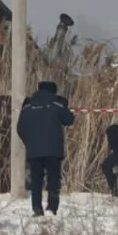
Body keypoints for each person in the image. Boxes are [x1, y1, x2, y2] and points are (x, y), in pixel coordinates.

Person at [16, 80, 76, 216]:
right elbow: (69, 119)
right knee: (53, 179)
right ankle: (51, 207)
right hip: (53, 150)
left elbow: (20, 128)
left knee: (36, 181)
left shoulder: (28, 105)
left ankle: (37, 208)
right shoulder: (56, 103)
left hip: (34, 151)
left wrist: (29, 143)